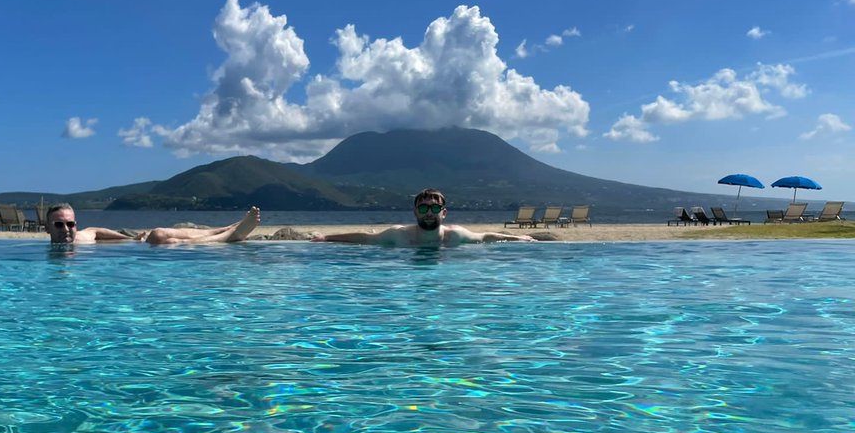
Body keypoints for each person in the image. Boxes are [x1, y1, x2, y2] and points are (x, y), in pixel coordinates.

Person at [310, 189, 535, 246]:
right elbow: (366, 238)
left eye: (435, 209)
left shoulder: (454, 236)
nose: (429, 213)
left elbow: (486, 237)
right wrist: (326, 238)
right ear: (415, 212)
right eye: (424, 208)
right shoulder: (399, 236)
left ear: (444, 213)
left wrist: (521, 239)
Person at [46, 203, 261, 245]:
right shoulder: (76, 245)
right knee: (160, 237)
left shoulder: (80, 238)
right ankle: (230, 234)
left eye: (71, 224)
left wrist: (130, 239)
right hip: (137, 249)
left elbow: (95, 231)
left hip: (134, 245)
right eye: (59, 225)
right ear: (47, 228)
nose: (66, 229)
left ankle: (226, 229)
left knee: (158, 234)